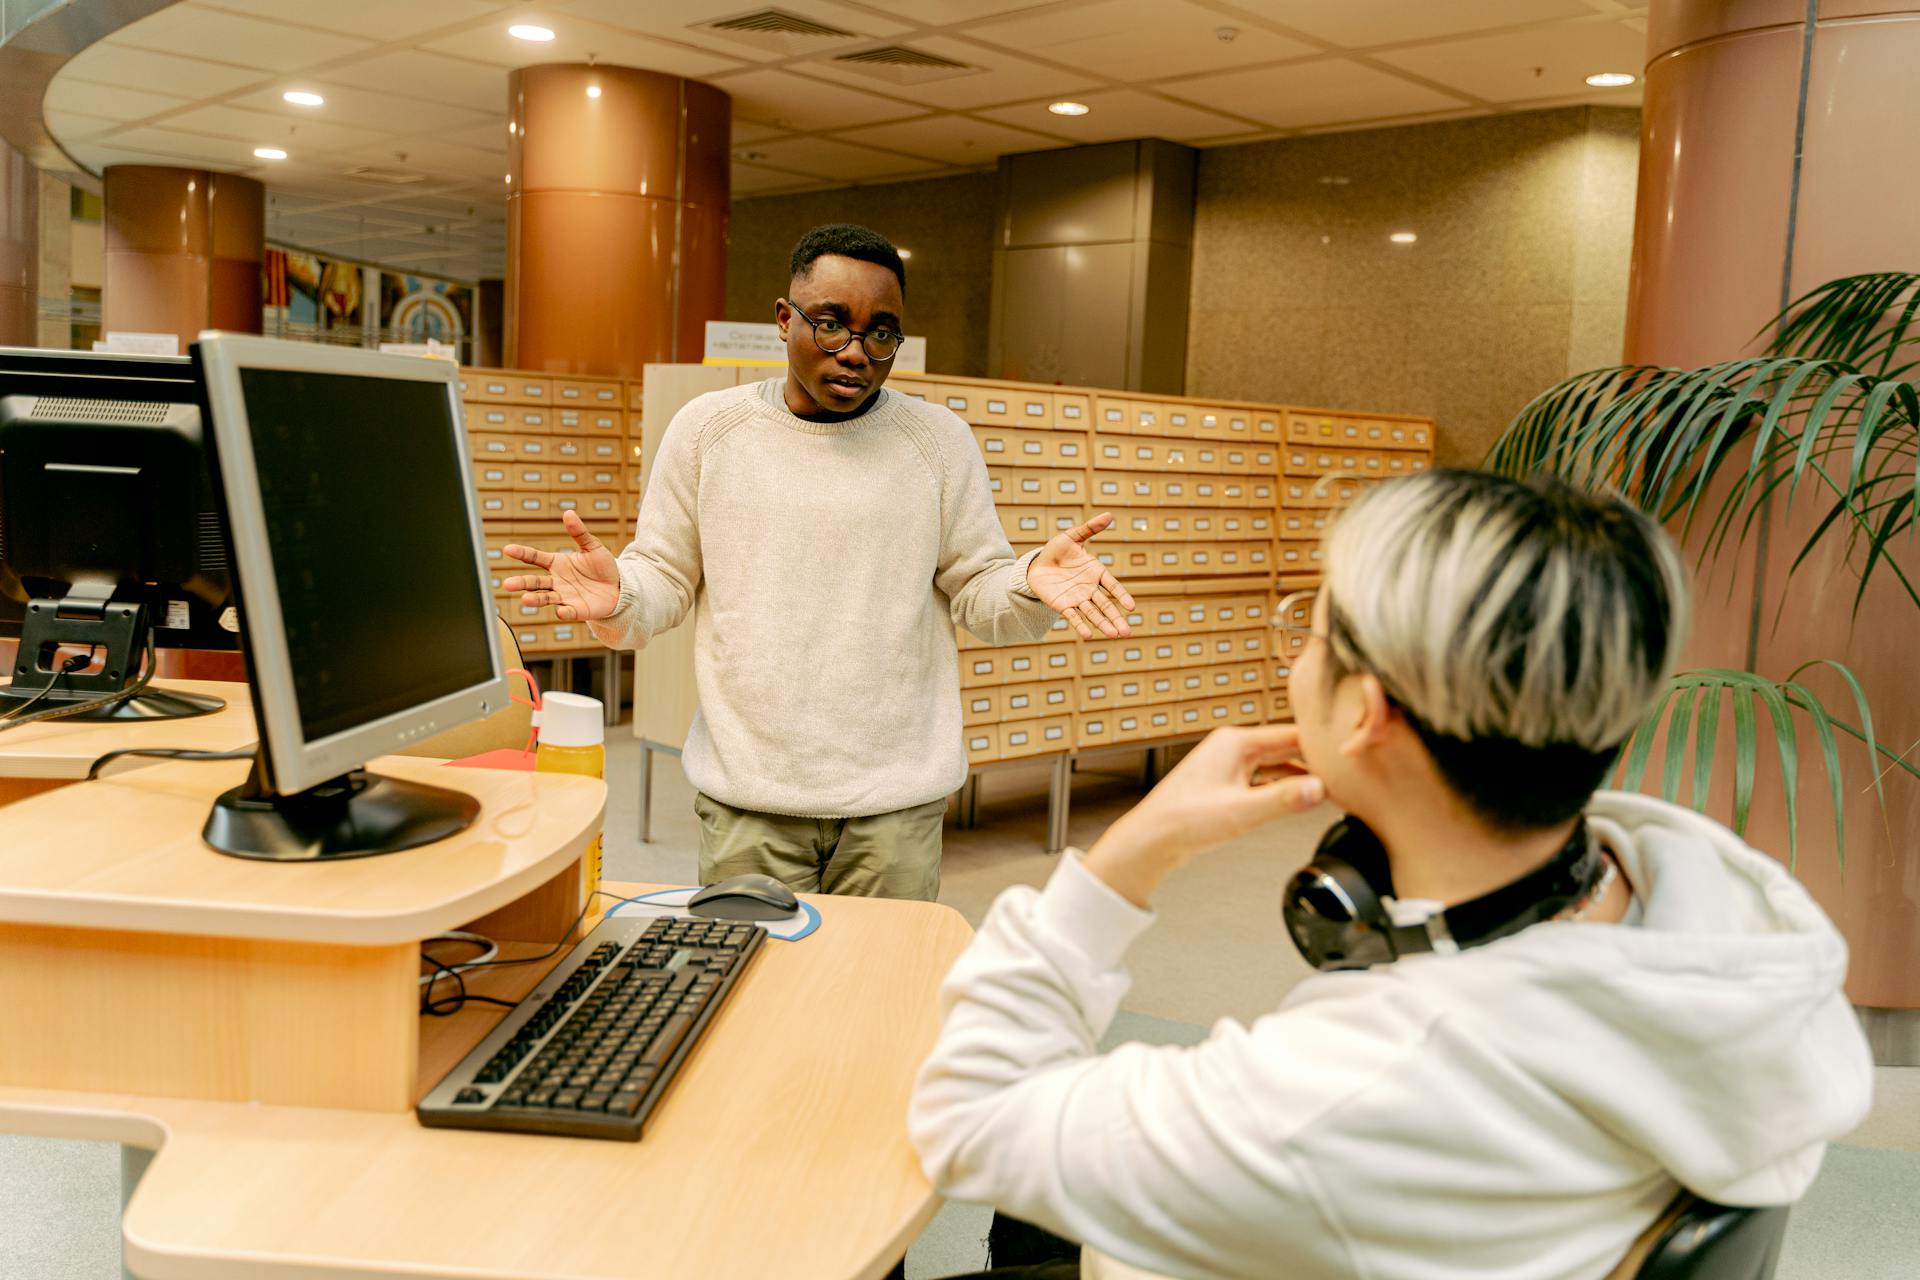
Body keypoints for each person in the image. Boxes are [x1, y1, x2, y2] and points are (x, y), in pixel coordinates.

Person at [909, 469, 1874, 1280]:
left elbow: (966, 1119)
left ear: (1366, 710)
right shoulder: (1715, 898)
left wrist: (1129, 853)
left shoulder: (1353, 1087)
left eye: (1314, 630)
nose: (1298, 656)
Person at [503, 223, 1134, 901]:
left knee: (879, 998)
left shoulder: (939, 443)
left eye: (881, 333)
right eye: (832, 324)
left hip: (895, 804)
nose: (856, 353)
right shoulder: (708, 431)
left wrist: (1028, 580)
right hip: (751, 797)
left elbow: (979, 590)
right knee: (748, 996)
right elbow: (665, 576)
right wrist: (622, 592)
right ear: (784, 319)